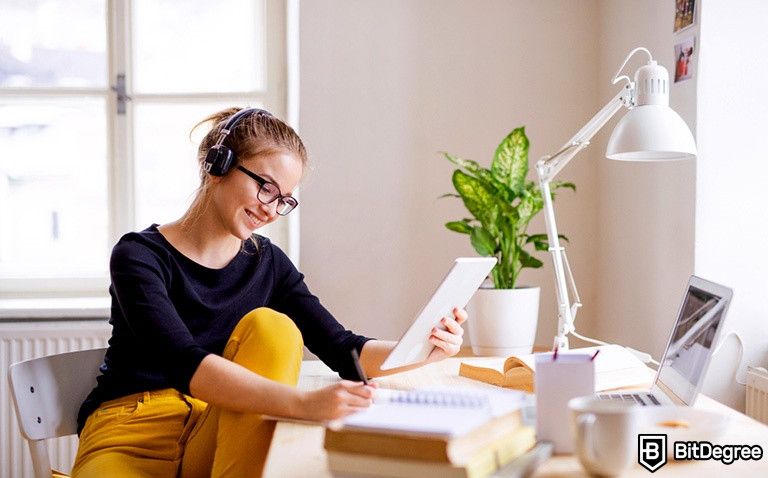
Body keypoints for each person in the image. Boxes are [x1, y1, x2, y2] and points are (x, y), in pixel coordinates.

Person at [71, 107, 469, 477]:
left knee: (272, 328)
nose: (271, 209)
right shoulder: (139, 255)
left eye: (284, 200)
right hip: (132, 431)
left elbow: (345, 349)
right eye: (265, 187)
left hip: (217, 427)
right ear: (218, 166)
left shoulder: (269, 263)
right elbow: (182, 361)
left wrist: (423, 348)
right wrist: (301, 404)